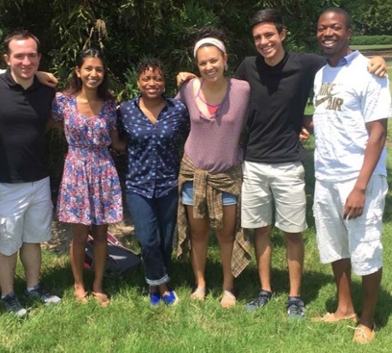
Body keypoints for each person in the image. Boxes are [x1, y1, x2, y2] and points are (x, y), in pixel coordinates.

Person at [232, 9, 387, 318]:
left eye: (270, 35)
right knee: (317, 242)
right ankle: (335, 306)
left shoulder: (313, 65)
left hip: (324, 170)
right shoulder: (259, 68)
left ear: (283, 34)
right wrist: (189, 79)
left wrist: (377, 59)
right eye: (258, 37)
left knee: (355, 245)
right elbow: (223, 90)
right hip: (292, 168)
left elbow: (377, 131)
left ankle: (355, 316)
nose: (264, 42)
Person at [309, 7, 391, 344]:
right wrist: (308, 125)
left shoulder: (369, 72)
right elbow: (333, 117)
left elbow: (378, 133)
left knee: (366, 247)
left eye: (335, 27)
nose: (328, 33)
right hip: (325, 176)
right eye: (322, 28)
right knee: (335, 247)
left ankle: (368, 320)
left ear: (348, 32)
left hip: (359, 180)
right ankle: (344, 308)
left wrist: (359, 188)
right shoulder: (320, 75)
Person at [0, 30, 60, 317]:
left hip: (39, 177)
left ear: (39, 57)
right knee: (8, 242)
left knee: (33, 238)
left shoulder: (47, 90)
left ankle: (34, 287)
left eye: (32, 55)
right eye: (19, 55)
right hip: (4, 181)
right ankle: (8, 294)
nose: (26, 61)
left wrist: (40, 75)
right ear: (7, 59)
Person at [175, 27, 251, 308]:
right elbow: (167, 114)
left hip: (227, 175)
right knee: (199, 233)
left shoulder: (242, 89)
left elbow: (271, 105)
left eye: (214, 60)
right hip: (193, 173)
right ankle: (201, 283)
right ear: (197, 66)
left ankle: (228, 287)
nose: (209, 67)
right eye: (203, 63)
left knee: (226, 234)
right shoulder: (188, 89)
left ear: (225, 59)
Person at [51, 48, 124, 306]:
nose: (94, 74)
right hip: (76, 171)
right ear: (78, 71)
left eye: (99, 69)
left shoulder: (110, 105)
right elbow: (53, 122)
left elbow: (115, 142)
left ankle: (98, 284)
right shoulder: (63, 101)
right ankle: (78, 283)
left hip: (103, 169)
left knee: (102, 234)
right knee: (80, 235)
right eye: (89, 68)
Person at [117, 58, 189, 306]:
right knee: (148, 238)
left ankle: (157, 279)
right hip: (138, 184)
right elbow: (116, 140)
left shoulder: (177, 109)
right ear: (138, 82)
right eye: (146, 78)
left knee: (165, 239)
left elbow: (193, 134)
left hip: (169, 182)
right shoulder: (125, 110)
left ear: (164, 81)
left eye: (157, 78)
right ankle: (160, 285)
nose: (152, 83)